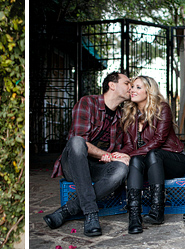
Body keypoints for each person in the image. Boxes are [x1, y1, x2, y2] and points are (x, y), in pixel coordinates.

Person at [43, 72, 132, 237]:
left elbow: (123, 146)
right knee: (77, 142)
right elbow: (80, 141)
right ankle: (91, 213)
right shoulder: (87, 103)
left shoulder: (121, 116)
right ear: (112, 85)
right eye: (127, 83)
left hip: (97, 167)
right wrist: (106, 154)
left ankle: (67, 210)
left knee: (121, 170)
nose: (130, 87)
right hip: (73, 163)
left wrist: (122, 155)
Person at [115, 76, 185, 234]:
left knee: (153, 154)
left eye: (138, 87)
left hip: (172, 160)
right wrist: (118, 155)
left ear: (149, 91)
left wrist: (132, 154)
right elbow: (128, 145)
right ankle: (134, 217)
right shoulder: (129, 114)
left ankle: (157, 211)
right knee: (136, 158)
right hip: (149, 164)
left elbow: (158, 140)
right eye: (132, 87)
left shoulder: (162, 108)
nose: (132, 90)